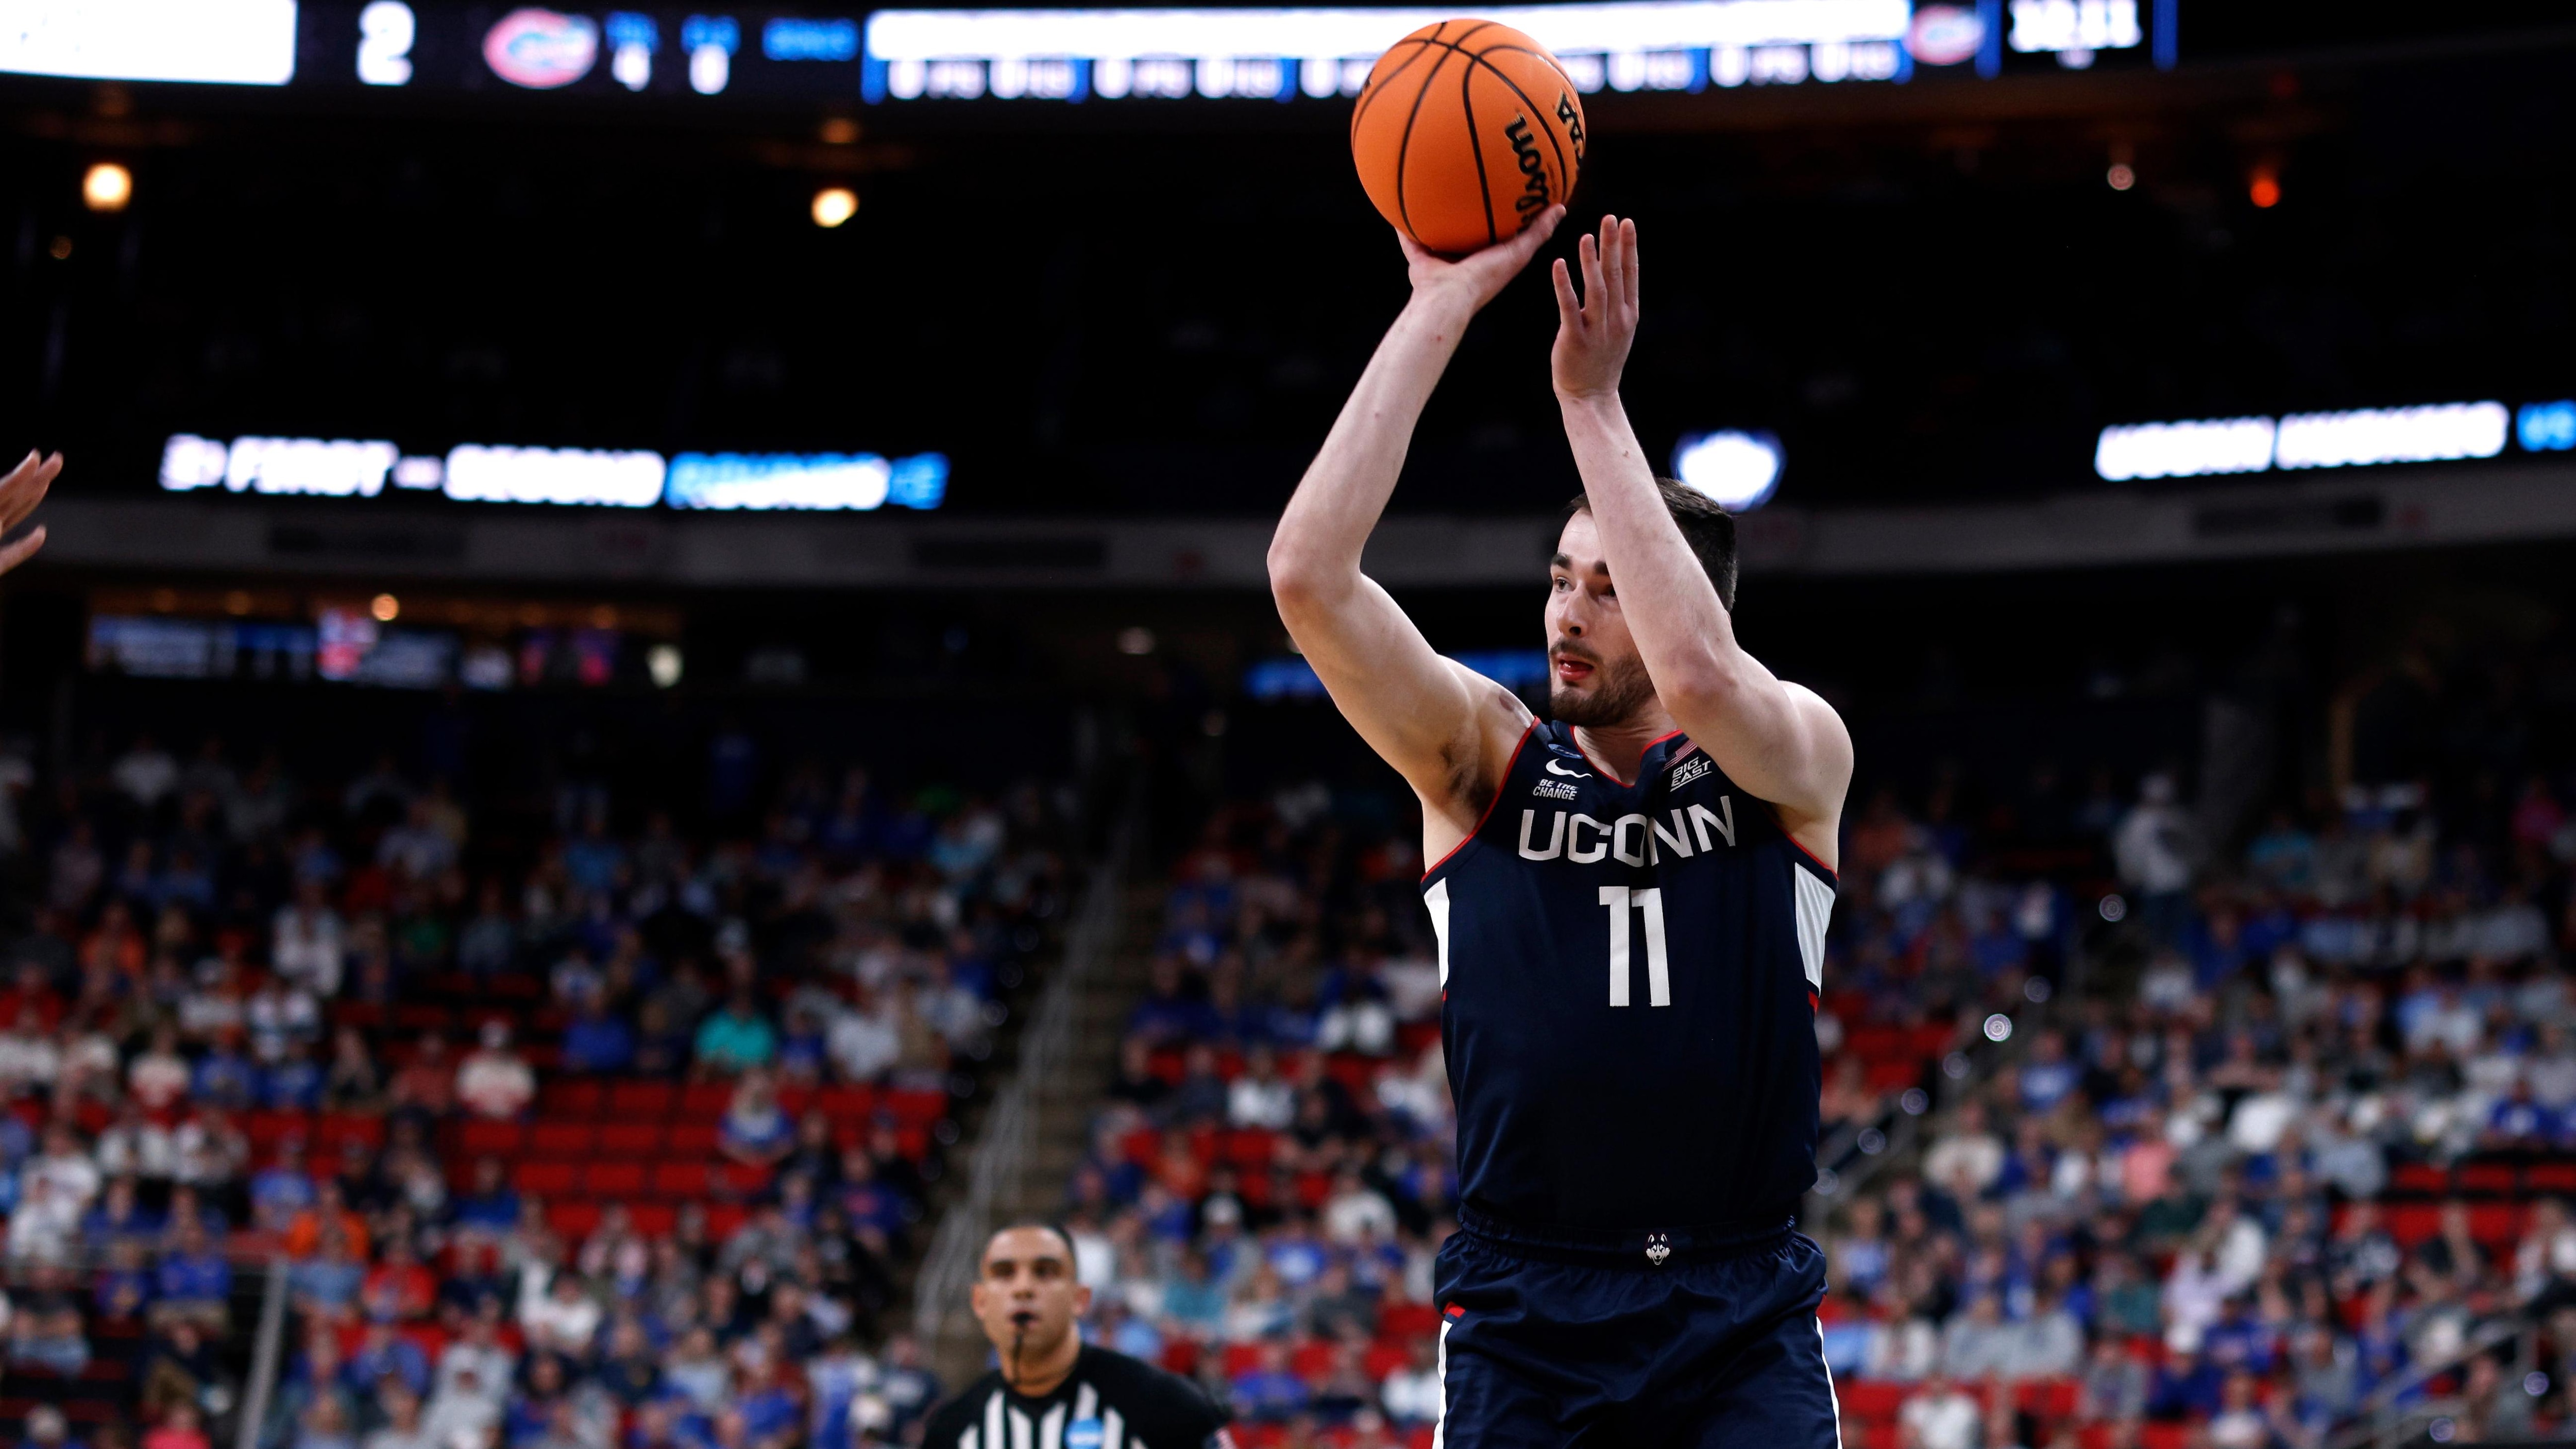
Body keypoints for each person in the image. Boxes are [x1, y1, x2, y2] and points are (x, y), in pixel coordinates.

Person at [1266, 211, 1852, 1447]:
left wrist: (1591, 402)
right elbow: (1309, 577)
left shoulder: (1793, 753)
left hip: (1738, 1302)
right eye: (1557, 576)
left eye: (1607, 585)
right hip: (1528, 1303)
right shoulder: (1483, 756)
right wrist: (1440, 304)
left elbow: (1698, 675)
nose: (1566, 613)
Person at [921, 1223, 1232, 1449]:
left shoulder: (1166, 1405)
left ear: (1080, 1299)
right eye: (1004, 1273)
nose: (1023, 1289)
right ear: (980, 1302)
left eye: (1045, 1272)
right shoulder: (952, 1429)